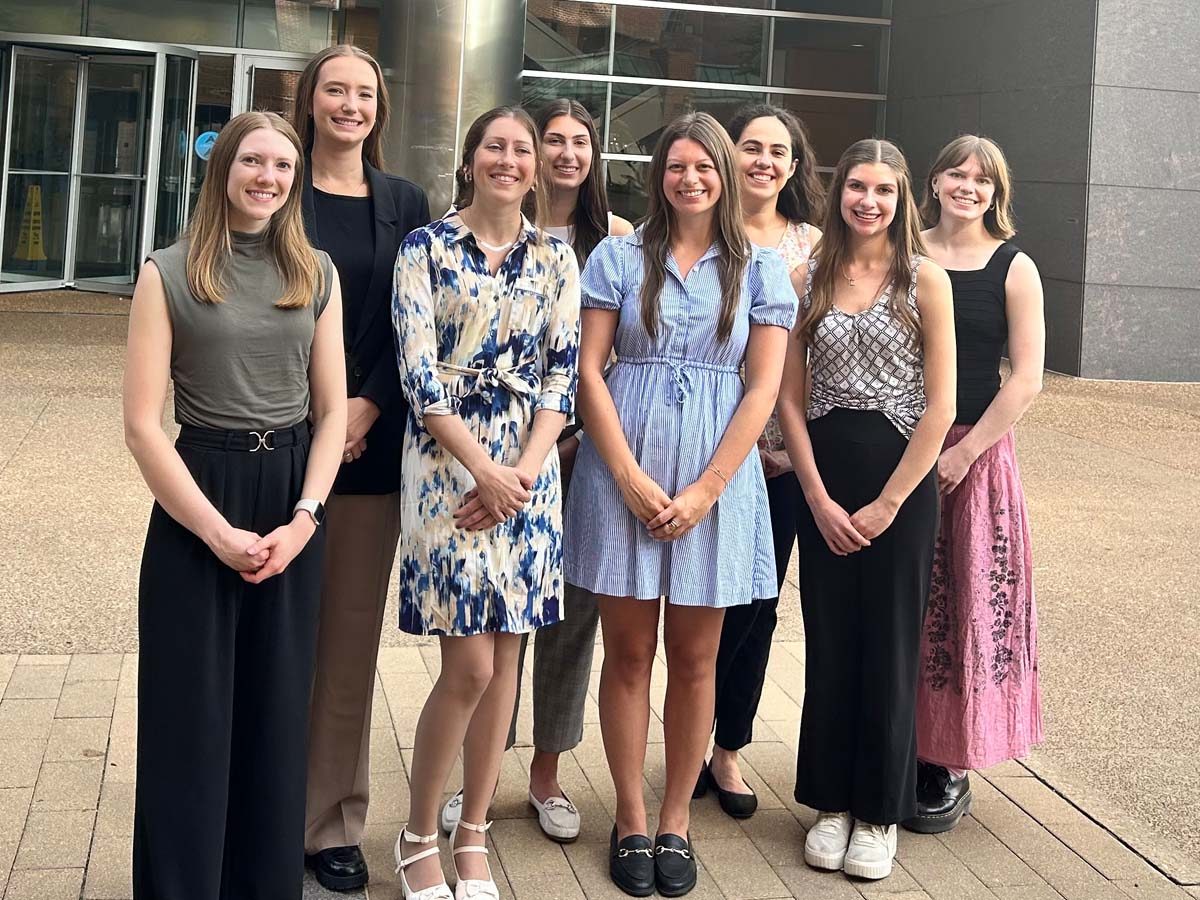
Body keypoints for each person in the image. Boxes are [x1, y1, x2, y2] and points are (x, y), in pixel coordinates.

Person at [565, 111, 796, 897]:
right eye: (675, 166)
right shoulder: (617, 256)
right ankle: (630, 817)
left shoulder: (760, 268)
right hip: (620, 472)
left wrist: (706, 489)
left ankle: (675, 819)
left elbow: (762, 386)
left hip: (715, 484)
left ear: (726, 176)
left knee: (696, 661)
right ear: (657, 173)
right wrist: (626, 475)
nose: (690, 178)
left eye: (705, 166)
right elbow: (590, 369)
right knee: (628, 656)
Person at [124, 111, 346, 900]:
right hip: (201, 497)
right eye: (254, 161)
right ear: (223, 170)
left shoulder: (316, 272)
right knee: (191, 716)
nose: (268, 177)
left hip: (290, 497)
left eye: (283, 166)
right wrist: (217, 534)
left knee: (276, 712)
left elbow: (332, 416)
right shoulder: (169, 272)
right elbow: (144, 428)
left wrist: (306, 519)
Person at [389, 106, 580, 900]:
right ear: (470, 161)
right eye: (494, 147)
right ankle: (417, 834)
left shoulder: (556, 259)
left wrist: (523, 474)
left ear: (536, 168)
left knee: (507, 658)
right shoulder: (425, 249)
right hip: (447, 464)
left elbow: (561, 377)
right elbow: (418, 371)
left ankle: (475, 834)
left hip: (530, 473)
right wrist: (482, 471)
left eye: (522, 150)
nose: (509, 160)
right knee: (467, 663)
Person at [439, 97, 632, 845]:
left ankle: (546, 772)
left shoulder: (612, 239)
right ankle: (478, 777)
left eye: (579, 141)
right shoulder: (474, 226)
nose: (563, 154)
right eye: (551, 139)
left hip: (586, 450)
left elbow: (610, 353)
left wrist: (583, 439)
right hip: (501, 456)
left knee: (565, 617)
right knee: (492, 618)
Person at [775, 138, 955, 881]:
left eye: (884, 189)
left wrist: (887, 503)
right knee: (832, 640)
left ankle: (881, 811)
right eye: (857, 186)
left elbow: (942, 408)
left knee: (890, 646)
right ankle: (830, 801)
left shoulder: (926, 280)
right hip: (823, 475)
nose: (869, 201)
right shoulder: (805, 276)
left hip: (900, 486)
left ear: (903, 195)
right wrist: (815, 496)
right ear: (837, 191)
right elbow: (787, 397)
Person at [290, 44, 431, 892]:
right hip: (276, 446)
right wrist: (314, 419)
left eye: (364, 93)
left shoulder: (403, 202)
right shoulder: (271, 182)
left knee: (344, 648)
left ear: (380, 107)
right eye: (335, 90)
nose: (350, 105)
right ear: (308, 100)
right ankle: (260, 806)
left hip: (368, 453)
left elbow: (408, 328)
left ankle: (329, 822)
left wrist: (362, 411)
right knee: (271, 638)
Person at [904, 135, 1044, 834]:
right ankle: (902, 744)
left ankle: (949, 762)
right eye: (956, 172)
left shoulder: (1014, 268)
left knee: (962, 604)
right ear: (932, 181)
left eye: (982, 179)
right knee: (909, 605)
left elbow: (1025, 377)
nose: (967, 186)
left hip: (973, 456)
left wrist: (966, 454)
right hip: (900, 449)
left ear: (997, 193)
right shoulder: (904, 249)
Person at [699, 102, 823, 820]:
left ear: (795, 165)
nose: (765, 162)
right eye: (751, 147)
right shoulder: (700, 230)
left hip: (778, 465)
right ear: (728, 155)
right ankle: (686, 745)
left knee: (757, 609)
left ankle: (729, 750)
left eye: (780, 150)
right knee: (698, 610)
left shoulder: (814, 246)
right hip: (705, 454)